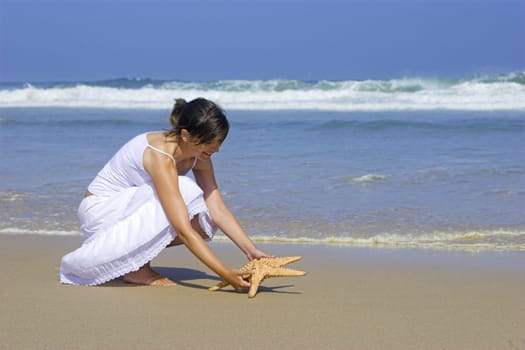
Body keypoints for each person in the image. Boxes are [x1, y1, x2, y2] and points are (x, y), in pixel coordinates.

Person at [60, 97, 269, 289]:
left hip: (129, 208)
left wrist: (251, 251)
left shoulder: (200, 155)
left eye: (219, 141)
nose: (216, 149)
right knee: (185, 189)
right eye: (209, 142)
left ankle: (133, 262)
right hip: (100, 212)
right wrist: (224, 273)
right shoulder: (160, 156)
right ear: (186, 135)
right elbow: (182, 229)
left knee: (208, 218)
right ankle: (137, 270)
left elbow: (217, 207)